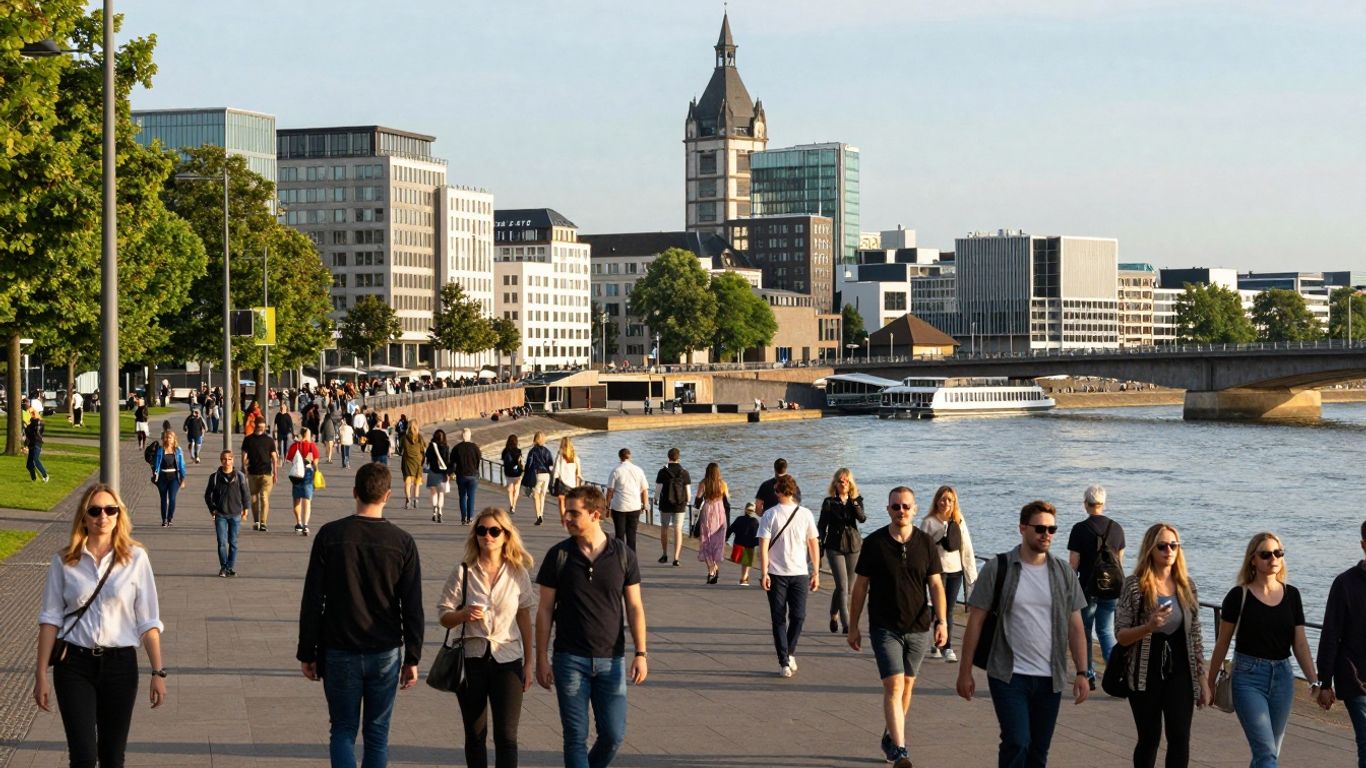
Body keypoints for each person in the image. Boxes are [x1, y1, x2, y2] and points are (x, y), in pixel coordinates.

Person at [297, 463, 424, 768]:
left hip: (339, 647)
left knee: (342, 730)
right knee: (377, 733)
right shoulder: (403, 542)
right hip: (385, 651)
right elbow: (412, 605)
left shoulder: (330, 535)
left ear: (355, 492)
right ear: (388, 495)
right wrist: (413, 658)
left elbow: (313, 598)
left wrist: (307, 651)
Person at [34, 484, 167, 767]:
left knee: (111, 756)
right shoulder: (64, 560)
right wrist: (41, 673)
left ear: (119, 516)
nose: (102, 516)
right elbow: (50, 619)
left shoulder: (135, 558)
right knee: (82, 756)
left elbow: (148, 620)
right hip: (74, 665)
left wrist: (158, 671)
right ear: (84, 517)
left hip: (120, 665)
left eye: (110, 510)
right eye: (94, 511)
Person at [957, 500, 1090, 768]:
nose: (1046, 535)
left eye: (1052, 529)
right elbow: (976, 622)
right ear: (1022, 528)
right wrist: (965, 671)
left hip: (1049, 677)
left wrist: (1082, 672)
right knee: (1017, 741)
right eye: (1040, 528)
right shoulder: (999, 567)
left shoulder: (1063, 572)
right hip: (1008, 674)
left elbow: (1076, 625)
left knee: (1038, 751)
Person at [534, 486, 648, 768]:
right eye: (566, 511)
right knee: (575, 736)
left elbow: (634, 607)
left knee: (613, 735)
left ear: (596, 514)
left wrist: (641, 653)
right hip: (569, 659)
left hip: (612, 660)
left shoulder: (623, 555)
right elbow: (545, 610)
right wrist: (540, 660)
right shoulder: (558, 556)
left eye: (574, 513)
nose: (566, 517)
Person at [847, 486, 947, 768]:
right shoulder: (875, 543)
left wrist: (942, 621)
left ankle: (892, 735)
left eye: (905, 506)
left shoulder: (926, 543)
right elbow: (860, 587)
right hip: (884, 626)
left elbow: (936, 584)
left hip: (919, 626)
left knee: (907, 688)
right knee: (893, 685)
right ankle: (901, 750)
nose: (900, 511)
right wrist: (853, 626)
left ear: (915, 509)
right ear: (888, 509)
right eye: (895, 506)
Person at [1206, 532, 1319, 767]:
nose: (1273, 558)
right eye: (1266, 554)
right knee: (1266, 754)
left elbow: (1300, 643)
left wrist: (1313, 681)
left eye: (1278, 553)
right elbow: (1223, 642)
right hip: (1248, 678)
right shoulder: (1239, 595)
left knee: (1267, 754)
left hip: (1283, 678)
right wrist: (1209, 683)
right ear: (1253, 560)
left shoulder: (1292, 595)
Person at [437, 507, 537, 768]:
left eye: (494, 531)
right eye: (482, 530)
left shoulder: (517, 573)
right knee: (475, 734)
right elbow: (443, 614)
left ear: (506, 535)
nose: (487, 536)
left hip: (508, 659)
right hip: (471, 662)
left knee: (506, 737)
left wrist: (530, 662)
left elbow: (525, 617)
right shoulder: (463, 572)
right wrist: (462, 615)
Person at [1114, 523, 1209, 768]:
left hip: (1180, 674)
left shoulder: (1187, 585)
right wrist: (1149, 626)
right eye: (1162, 546)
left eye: (1174, 545)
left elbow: (1196, 635)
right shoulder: (1135, 585)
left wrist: (1203, 678)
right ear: (1150, 549)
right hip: (1144, 675)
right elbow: (1121, 635)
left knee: (1180, 739)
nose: (1169, 550)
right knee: (1149, 739)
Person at [757, 473, 820, 677]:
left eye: (776, 490)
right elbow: (764, 544)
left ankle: (789, 652)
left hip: (796, 572)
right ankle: (784, 660)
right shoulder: (771, 514)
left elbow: (812, 543)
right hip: (779, 573)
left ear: (780, 492)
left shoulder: (804, 514)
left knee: (794, 617)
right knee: (784, 618)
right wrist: (765, 571)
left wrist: (815, 571)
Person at [1315, 520, 1366, 767]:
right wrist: (1325, 682)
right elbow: (1330, 634)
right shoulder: (1345, 583)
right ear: (1363, 545)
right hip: (1356, 680)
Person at [1067, 484, 1125, 689]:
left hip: (1087, 589)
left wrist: (1069, 589)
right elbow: (1119, 563)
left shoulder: (1079, 529)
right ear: (1103, 503)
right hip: (1112, 590)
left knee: (1084, 631)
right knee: (1106, 631)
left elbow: (1073, 564)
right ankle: (1117, 673)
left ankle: (1089, 674)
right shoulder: (1116, 528)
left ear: (1086, 504)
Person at [919, 485, 978, 662]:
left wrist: (971, 574)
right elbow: (921, 550)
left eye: (950, 500)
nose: (946, 503)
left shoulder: (959, 521)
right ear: (937, 500)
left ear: (954, 503)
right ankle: (934, 643)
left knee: (949, 610)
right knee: (935, 609)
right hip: (936, 572)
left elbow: (966, 547)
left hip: (955, 571)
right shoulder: (928, 522)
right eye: (943, 499)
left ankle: (947, 646)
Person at [817, 468, 865, 635]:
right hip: (834, 547)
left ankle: (833, 613)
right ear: (835, 484)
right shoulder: (829, 502)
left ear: (850, 483)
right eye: (840, 481)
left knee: (846, 588)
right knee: (843, 587)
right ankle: (848, 625)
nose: (843, 483)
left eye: (846, 481)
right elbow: (821, 526)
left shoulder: (856, 500)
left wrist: (852, 500)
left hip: (853, 546)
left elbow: (862, 518)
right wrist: (820, 545)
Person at [205, 449, 251, 577]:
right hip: (220, 514)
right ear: (221, 460)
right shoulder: (214, 477)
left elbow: (245, 494)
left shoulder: (240, 476)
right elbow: (208, 495)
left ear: (233, 460)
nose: (227, 462)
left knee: (233, 542)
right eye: (224, 459)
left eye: (229, 459)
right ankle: (224, 567)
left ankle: (230, 567)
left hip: (235, 514)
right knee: (221, 542)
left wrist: (246, 510)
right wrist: (212, 509)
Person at [654, 448, 692, 566]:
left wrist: (655, 499)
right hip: (680, 505)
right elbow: (688, 492)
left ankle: (665, 554)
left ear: (668, 457)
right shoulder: (684, 472)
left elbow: (658, 489)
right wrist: (687, 501)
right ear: (678, 457)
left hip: (665, 503)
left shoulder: (662, 472)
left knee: (664, 528)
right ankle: (676, 558)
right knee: (678, 529)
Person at [604, 448, 647, 551]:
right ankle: (631, 559)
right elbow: (644, 490)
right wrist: (645, 505)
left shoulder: (616, 470)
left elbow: (610, 490)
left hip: (619, 506)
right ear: (630, 456)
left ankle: (620, 558)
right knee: (632, 535)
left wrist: (607, 506)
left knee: (619, 535)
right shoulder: (639, 470)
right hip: (634, 506)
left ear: (620, 457)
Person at [694, 462, 730, 584]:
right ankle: (714, 567)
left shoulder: (703, 483)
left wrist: (694, 518)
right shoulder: (723, 484)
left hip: (708, 510)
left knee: (705, 540)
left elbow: (698, 499)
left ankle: (711, 569)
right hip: (720, 512)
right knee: (717, 541)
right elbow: (727, 500)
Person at [241, 420, 278, 532]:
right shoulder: (248, 439)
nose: (261, 428)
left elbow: (274, 457)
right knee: (254, 498)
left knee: (264, 497)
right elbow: (244, 455)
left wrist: (275, 472)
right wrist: (243, 467)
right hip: (252, 473)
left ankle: (263, 522)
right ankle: (256, 521)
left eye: (262, 427)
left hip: (266, 473)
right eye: (259, 426)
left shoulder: (269, 440)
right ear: (255, 426)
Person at [285, 428, 320, 536]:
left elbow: (289, 459)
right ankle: (305, 525)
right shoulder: (311, 446)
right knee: (307, 500)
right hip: (308, 473)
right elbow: (315, 461)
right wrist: (317, 472)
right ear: (307, 435)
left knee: (296, 499)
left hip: (296, 475)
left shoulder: (294, 446)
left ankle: (298, 523)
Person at [150, 430, 187, 527]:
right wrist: (155, 473)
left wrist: (182, 479)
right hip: (162, 476)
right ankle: (164, 519)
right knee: (163, 499)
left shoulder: (177, 450)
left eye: (170, 437)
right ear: (163, 439)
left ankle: (170, 517)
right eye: (166, 437)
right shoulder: (160, 450)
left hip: (174, 477)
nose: (168, 439)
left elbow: (182, 465)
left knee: (172, 498)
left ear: (174, 439)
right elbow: (156, 464)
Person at [522, 432, 555, 526]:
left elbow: (529, 464)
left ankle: (538, 516)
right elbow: (550, 465)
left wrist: (526, 473)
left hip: (537, 474)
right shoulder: (547, 451)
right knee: (543, 496)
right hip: (546, 476)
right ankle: (541, 514)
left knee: (536, 495)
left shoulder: (532, 451)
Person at [453, 428, 483, 525]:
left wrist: (452, 472)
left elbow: (452, 461)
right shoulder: (475, 447)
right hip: (473, 475)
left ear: (462, 436)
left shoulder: (457, 448)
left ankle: (463, 517)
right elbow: (479, 459)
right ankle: (470, 518)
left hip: (461, 475)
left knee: (462, 496)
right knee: (471, 497)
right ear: (470, 436)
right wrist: (476, 469)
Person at [551, 437, 582, 526]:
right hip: (572, 483)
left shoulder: (560, 456)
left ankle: (563, 519)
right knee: (569, 502)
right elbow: (578, 473)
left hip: (562, 482)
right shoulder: (575, 457)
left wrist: (554, 479)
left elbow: (556, 470)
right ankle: (569, 518)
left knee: (561, 501)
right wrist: (577, 485)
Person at [728, 502, 761, 586]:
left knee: (744, 563)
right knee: (747, 563)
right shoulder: (755, 522)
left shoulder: (739, 519)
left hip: (739, 544)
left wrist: (726, 538)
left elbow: (731, 529)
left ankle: (743, 578)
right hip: (749, 546)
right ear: (754, 511)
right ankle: (744, 579)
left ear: (745, 510)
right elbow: (757, 535)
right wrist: (759, 544)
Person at [424, 428, 452, 523]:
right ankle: (440, 512)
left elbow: (427, 457)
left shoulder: (431, 447)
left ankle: (434, 512)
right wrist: (448, 473)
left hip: (432, 472)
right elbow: (448, 461)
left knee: (433, 493)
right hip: (442, 474)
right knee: (441, 494)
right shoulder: (446, 447)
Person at [399, 420, 426, 510]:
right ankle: (416, 501)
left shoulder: (404, 437)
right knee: (416, 484)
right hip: (418, 463)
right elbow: (423, 449)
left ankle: (408, 501)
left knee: (408, 483)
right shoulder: (420, 438)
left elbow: (400, 449)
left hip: (407, 462)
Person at [24, 409, 49, 483]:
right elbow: (28, 437)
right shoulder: (28, 427)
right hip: (31, 445)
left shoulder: (38, 423)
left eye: (33, 414)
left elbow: (38, 430)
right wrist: (25, 445)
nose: (32, 415)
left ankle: (45, 475)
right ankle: (34, 479)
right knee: (29, 465)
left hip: (37, 443)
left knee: (35, 459)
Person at [502, 435, 524, 515]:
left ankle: (511, 505)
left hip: (508, 473)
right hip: (517, 473)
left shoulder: (505, 451)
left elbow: (503, 461)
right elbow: (520, 461)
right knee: (516, 489)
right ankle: (514, 505)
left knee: (510, 489)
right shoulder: (518, 451)